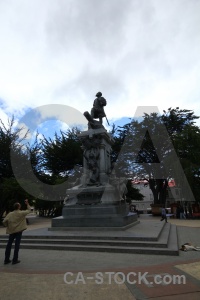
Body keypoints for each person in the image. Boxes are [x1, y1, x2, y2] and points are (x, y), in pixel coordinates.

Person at [3, 199, 31, 265]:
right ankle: (14, 260)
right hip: (19, 231)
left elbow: (4, 221)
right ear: (18, 207)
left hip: (11, 231)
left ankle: (6, 260)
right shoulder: (21, 213)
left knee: (9, 245)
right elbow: (29, 210)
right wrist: (27, 204)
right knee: (16, 245)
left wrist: (8, 226)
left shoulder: (10, 214)